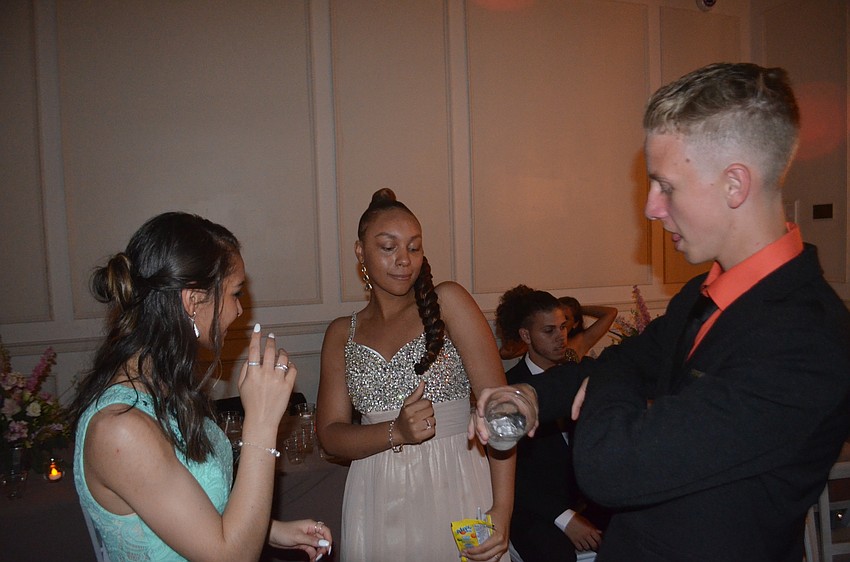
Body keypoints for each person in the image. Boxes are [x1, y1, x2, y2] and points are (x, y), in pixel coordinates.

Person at [471, 62, 850, 561]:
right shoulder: (702, 293)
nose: (651, 207)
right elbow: (624, 363)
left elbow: (611, 466)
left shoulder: (807, 338)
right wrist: (528, 393)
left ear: (735, 184)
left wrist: (604, 384)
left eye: (665, 185)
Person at [70, 212, 332, 562]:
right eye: (235, 293)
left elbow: (188, 511)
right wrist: (262, 425)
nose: (240, 310)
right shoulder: (120, 429)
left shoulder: (162, 388)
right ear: (193, 302)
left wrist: (270, 530)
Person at [316, 189, 513, 562]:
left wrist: (502, 510)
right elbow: (330, 436)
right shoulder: (342, 333)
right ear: (361, 253)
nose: (403, 260)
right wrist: (398, 432)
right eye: (388, 247)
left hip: (455, 483)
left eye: (414, 247)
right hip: (374, 497)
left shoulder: (449, 302)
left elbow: (501, 410)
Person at [495, 286, 607, 562]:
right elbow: (512, 476)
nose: (561, 337)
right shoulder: (511, 391)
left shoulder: (581, 377)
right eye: (549, 331)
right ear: (526, 335)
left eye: (563, 327)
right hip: (534, 511)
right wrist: (565, 518)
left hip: (588, 500)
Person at [498, 294, 616, 362]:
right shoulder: (540, 342)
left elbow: (611, 313)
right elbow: (504, 353)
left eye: (565, 320)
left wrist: (579, 309)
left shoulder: (581, 340)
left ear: (575, 323)